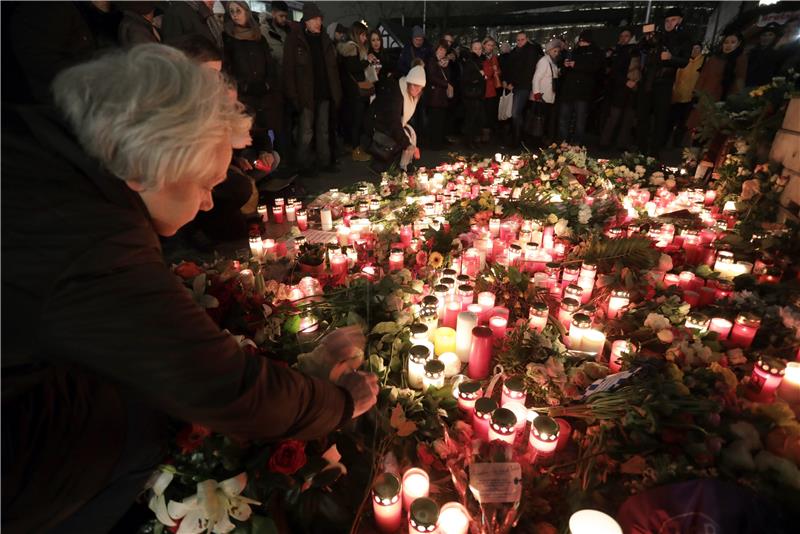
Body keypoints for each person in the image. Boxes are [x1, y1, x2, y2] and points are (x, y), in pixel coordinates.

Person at [1, 44, 378, 533]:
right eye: (204, 183)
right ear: (140, 167)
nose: (206, 204)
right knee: (139, 419)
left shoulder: (45, 148)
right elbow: (223, 385)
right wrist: (338, 403)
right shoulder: (91, 243)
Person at [5, 1, 121, 105]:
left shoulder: (122, 12)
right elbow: (43, 61)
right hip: (69, 104)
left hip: (109, 93)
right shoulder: (47, 8)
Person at [283, 2, 342, 176]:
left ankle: (324, 162)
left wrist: (336, 93)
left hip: (324, 92)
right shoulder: (295, 39)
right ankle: (304, 165)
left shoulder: (324, 39)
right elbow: (289, 69)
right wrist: (293, 95)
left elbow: (333, 68)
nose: (318, 22)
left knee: (323, 129)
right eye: (314, 19)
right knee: (305, 131)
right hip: (305, 94)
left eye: (320, 19)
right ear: (306, 20)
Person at [636, 6, 691, 157]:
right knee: (642, 116)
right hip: (647, 81)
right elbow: (640, 48)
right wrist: (647, 39)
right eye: (667, 20)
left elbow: (685, 61)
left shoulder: (684, 38)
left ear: (680, 21)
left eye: (673, 20)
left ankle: (654, 152)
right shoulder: (659, 35)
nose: (669, 23)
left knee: (660, 119)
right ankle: (640, 149)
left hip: (664, 83)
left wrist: (671, 58)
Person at [367, 62, 426, 172]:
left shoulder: (413, 94)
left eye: (420, 88)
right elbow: (393, 123)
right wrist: (408, 145)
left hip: (390, 123)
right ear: (408, 83)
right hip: (381, 124)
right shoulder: (397, 93)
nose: (417, 90)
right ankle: (383, 165)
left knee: (410, 132)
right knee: (400, 139)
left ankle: (402, 165)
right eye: (414, 85)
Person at [686, 32, 747, 134]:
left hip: (725, 100)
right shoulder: (714, 59)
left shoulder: (740, 60)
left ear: (739, 44)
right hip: (707, 98)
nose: (728, 45)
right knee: (699, 128)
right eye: (726, 42)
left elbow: (740, 80)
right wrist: (696, 95)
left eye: (732, 42)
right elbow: (703, 77)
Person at [557, 30, 603, 145]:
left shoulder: (595, 52)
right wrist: (566, 66)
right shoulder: (575, 51)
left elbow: (595, 68)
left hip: (583, 91)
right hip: (569, 90)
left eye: (583, 40)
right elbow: (565, 71)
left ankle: (577, 144)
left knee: (580, 120)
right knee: (564, 118)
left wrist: (576, 65)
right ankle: (564, 142)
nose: (581, 42)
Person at [600, 28, 641, 150]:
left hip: (629, 90)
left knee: (627, 119)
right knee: (614, 117)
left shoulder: (635, 51)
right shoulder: (616, 51)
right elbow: (612, 71)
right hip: (617, 90)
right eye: (621, 36)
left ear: (631, 37)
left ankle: (620, 144)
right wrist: (625, 81)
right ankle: (605, 143)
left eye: (626, 36)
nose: (623, 38)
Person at [338, 21, 373, 162]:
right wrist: (367, 61)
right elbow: (354, 67)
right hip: (355, 91)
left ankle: (351, 145)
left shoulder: (349, 48)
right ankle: (356, 149)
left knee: (353, 119)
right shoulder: (352, 48)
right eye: (363, 35)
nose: (365, 38)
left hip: (351, 90)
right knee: (357, 120)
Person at [507, 31, 543, 146]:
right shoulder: (516, 51)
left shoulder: (530, 51)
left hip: (523, 86)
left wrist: (513, 82)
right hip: (518, 85)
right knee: (516, 113)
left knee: (516, 113)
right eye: (518, 40)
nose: (520, 42)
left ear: (526, 39)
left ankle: (517, 139)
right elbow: (512, 68)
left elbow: (528, 70)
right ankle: (517, 138)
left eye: (522, 39)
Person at [669, 42, 703, 147]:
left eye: (697, 49)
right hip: (678, 95)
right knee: (672, 120)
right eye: (693, 49)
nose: (695, 51)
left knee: (684, 123)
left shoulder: (703, 62)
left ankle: (677, 144)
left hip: (691, 96)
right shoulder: (683, 60)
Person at [530, 38, 562, 146]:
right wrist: (537, 94)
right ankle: (536, 142)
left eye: (558, 51)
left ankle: (540, 141)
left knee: (543, 120)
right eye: (554, 51)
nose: (556, 53)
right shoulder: (544, 61)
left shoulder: (552, 62)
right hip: (542, 97)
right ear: (549, 50)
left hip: (548, 96)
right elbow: (536, 78)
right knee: (539, 121)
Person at [425, 40, 453, 150]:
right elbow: (432, 77)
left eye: (444, 50)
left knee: (440, 120)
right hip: (434, 95)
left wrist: (445, 67)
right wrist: (446, 84)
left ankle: (438, 142)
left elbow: (448, 76)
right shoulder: (432, 61)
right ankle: (434, 144)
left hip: (442, 96)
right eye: (440, 49)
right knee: (434, 120)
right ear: (436, 49)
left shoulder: (445, 62)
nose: (442, 52)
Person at [461, 40, 487, 150]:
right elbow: (466, 79)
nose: (478, 51)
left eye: (479, 48)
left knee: (476, 118)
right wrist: (480, 77)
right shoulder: (470, 61)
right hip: (471, 95)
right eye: (475, 48)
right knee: (471, 119)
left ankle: (473, 141)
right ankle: (469, 142)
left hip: (477, 94)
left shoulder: (478, 61)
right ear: (471, 50)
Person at [745, 23, 783, 87]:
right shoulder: (752, 51)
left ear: (775, 37)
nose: (766, 38)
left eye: (770, 35)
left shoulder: (776, 53)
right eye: (764, 35)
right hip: (746, 84)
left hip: (761, 87)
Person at [482, 37, 502, 143]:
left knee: (490, 111)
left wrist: (497, 72)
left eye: (492, 45)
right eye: (488, 45)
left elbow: (498, 70)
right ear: (484, 45)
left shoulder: (494, 57)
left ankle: (487, 133)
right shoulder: (481, 56)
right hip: (482, 87)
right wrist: (491, 70)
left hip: (491, 88)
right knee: (482, 111)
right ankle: (483, 133)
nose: (490, 47)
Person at [260, 0, 290, 66]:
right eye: (281, 16)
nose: (284, 19)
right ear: (273, 14)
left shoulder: (289, 30)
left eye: (286, 16)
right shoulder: (264, 31)